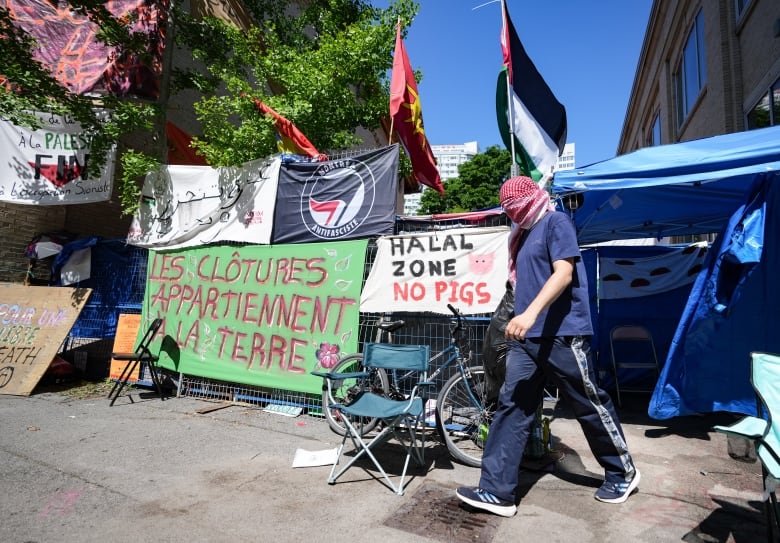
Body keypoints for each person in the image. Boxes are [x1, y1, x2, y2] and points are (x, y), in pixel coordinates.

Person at [456, 175, 639, 517]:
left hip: (561, 334)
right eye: (508, 210)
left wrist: (529, 314)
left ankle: (622, 471)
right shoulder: (522, 236)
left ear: (533, 199)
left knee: (586, 402)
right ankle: (497, 491)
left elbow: (563, 274)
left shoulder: (556, 222)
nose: (513, 213)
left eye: (516, 207)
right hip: (526, 340)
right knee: (513, 405)